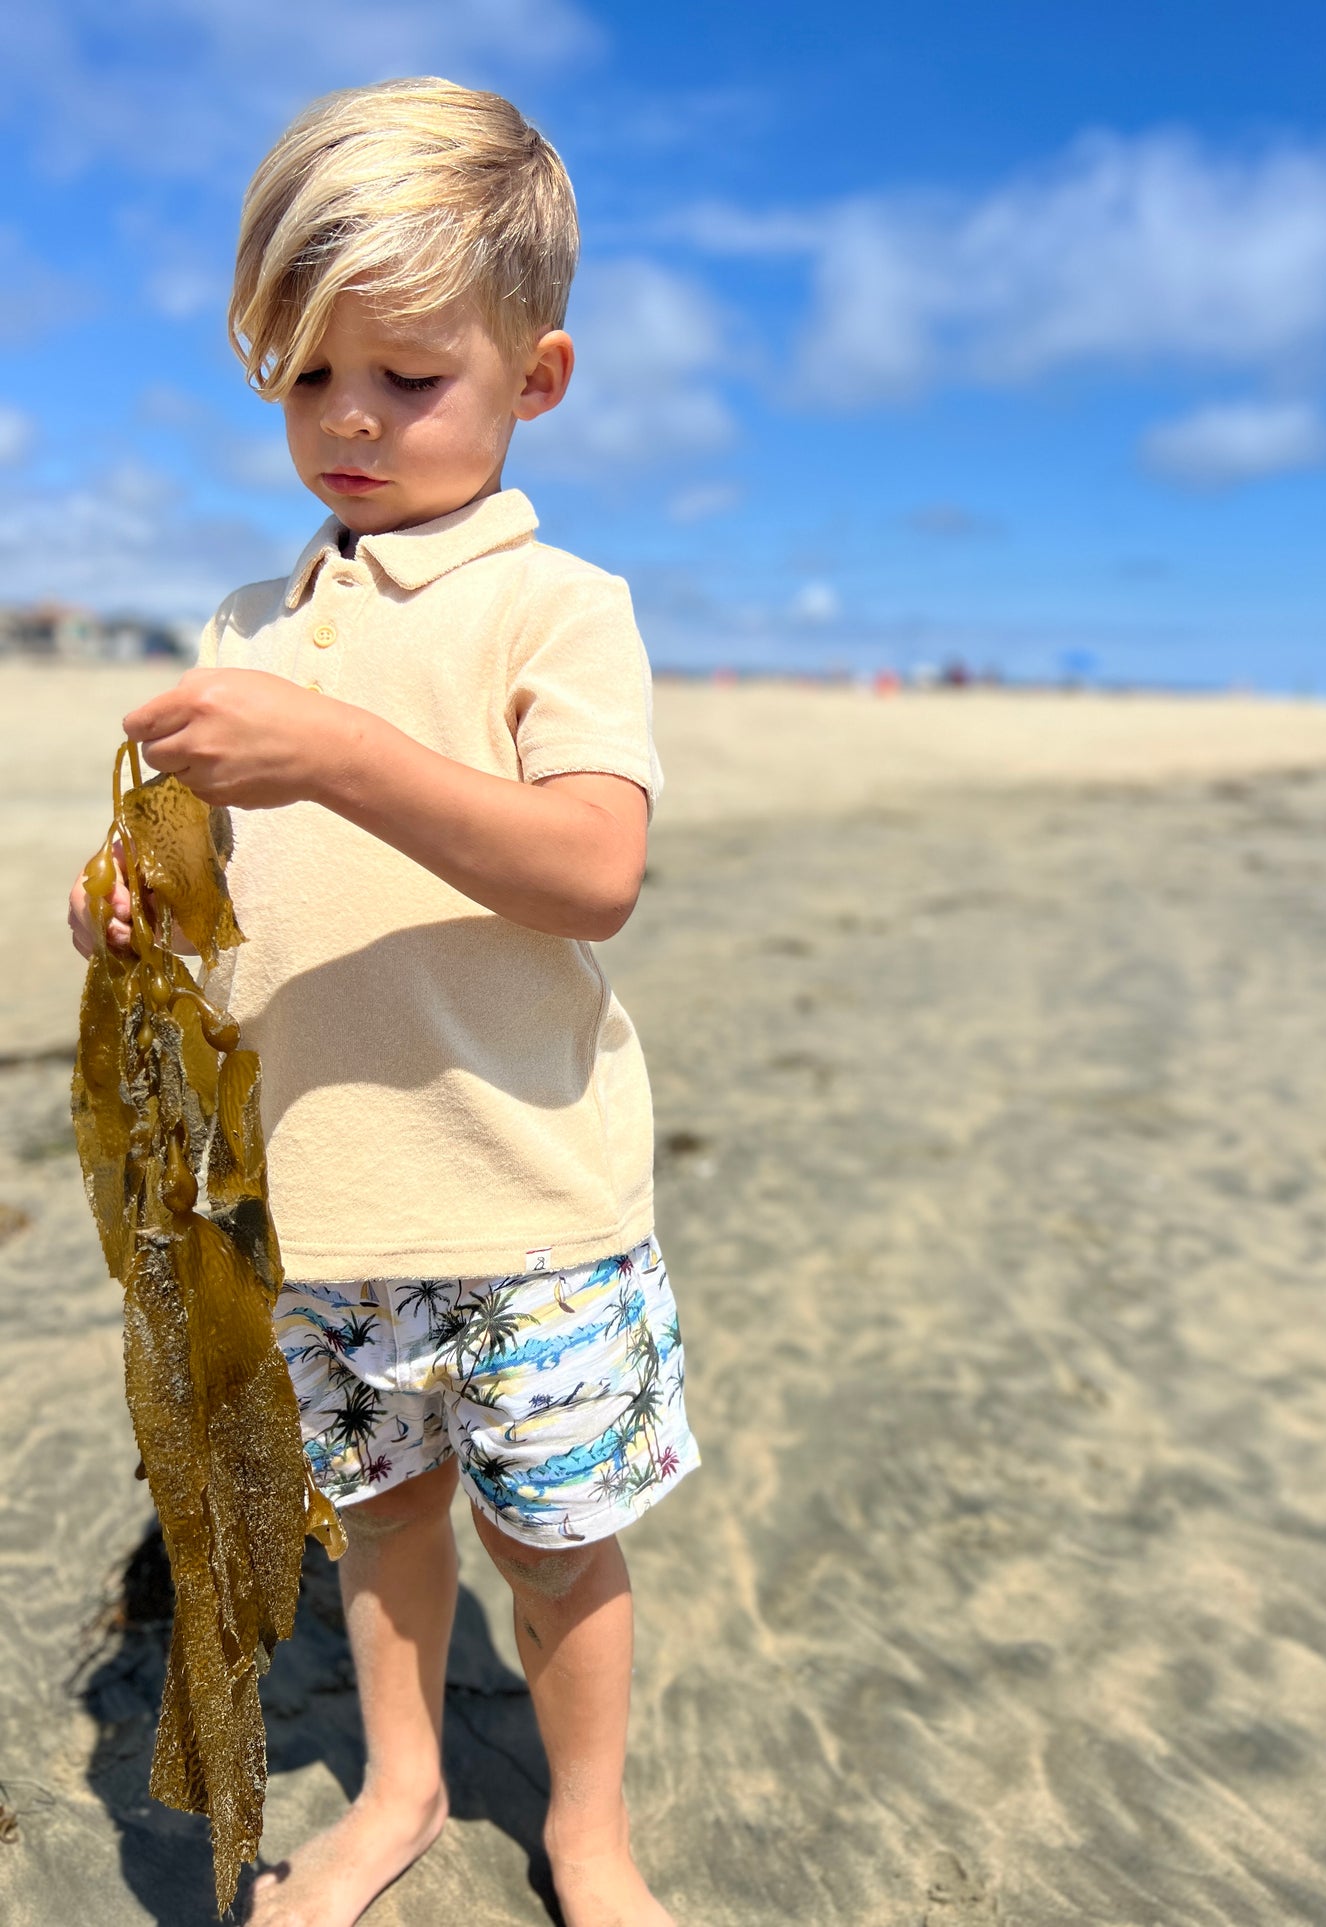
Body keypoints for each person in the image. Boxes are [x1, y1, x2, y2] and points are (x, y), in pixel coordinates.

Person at [68, 77, 698, 1927]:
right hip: (315, 1209)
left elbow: (591, 870)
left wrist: (336, 752)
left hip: (525, 1200)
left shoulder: (557, 608)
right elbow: (228, 882)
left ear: (538, 376)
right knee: (385, 1523)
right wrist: (132, 913)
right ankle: (407, 1781)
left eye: (407, 380)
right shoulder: (250, 622)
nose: (348, 422)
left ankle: (589, 1825)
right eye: (304, 378)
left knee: (559, 1544)